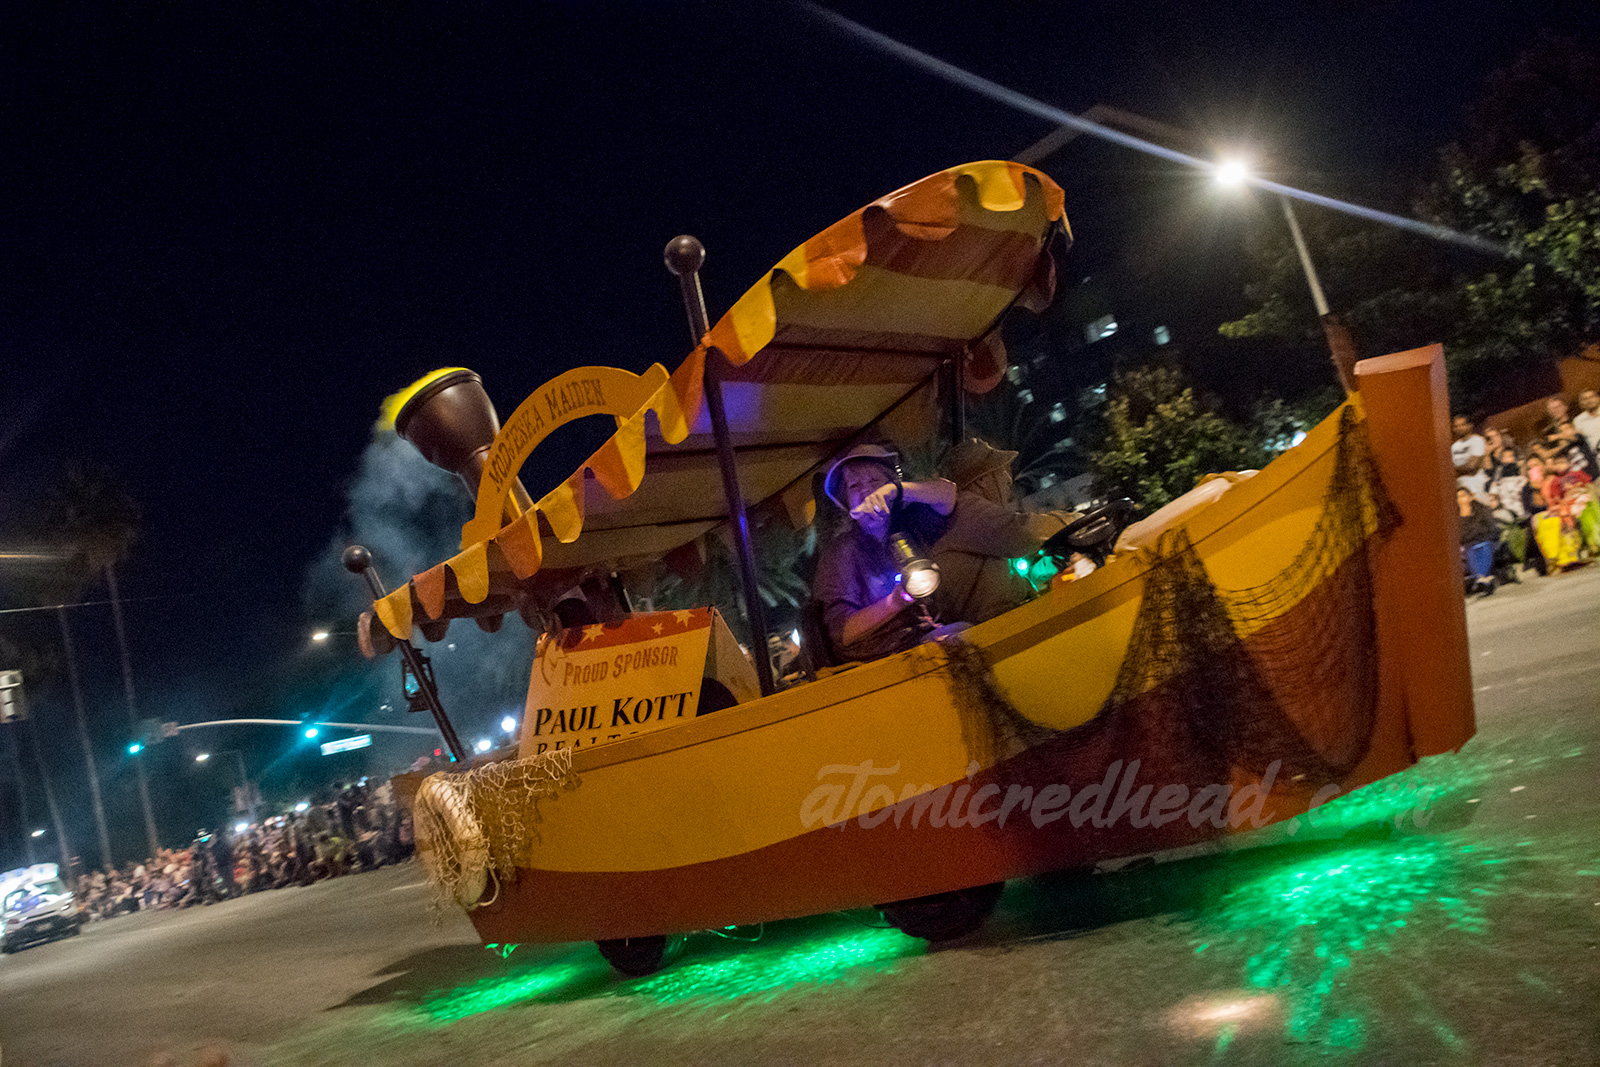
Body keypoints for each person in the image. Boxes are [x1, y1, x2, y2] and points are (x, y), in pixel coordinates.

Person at [812, 444, 958, 662]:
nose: (866, 492)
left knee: (968, 634)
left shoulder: (908, 522)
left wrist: (895, 491)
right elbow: (843, 633)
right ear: (847, 502)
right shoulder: (841, 552)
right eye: (854, 486)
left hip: (925, 635)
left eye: (874, 481)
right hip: (878, 656)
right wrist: (894, 602)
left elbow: (948, 494)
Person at [934, 438, 1075, 624]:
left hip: (1004, 619)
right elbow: (1026, 534)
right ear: (983, 480)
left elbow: (997, 574)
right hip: (999, 625)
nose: (1009, 481)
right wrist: (1075, 519)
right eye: (1002, 472)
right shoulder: (966, 508)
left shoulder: (975, 521)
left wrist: (1038, 571)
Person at [1457, 487, 1498, 595]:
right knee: (1471, 550)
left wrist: (1474, 534)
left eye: (1463, 496)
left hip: (1484, 541)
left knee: (1483, 548)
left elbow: (1489, 528)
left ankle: (1481, 578)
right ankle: (1484, 579)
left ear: (1470, 497)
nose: (1461, 499)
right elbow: (1459, 535)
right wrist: (1473, 533)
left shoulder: (1481, 510)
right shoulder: (1455, 516)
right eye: (1458, 497)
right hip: (1468, 544)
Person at [1451, 414, 1489, 497]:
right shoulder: (1454, 446)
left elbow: (1471, 466)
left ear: (1470, 425)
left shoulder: (1477, 440)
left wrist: (1454, 469)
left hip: (1476, 483)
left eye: (1462, 425)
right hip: (1460, 485)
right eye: (1456, 426)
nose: (1459, 428)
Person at [1575, 388, 1600, 455]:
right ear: (1581, 403)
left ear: (1598, 398)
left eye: (1592, 397)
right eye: (1585, 399)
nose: (1589, 401)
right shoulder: (1578, 421)